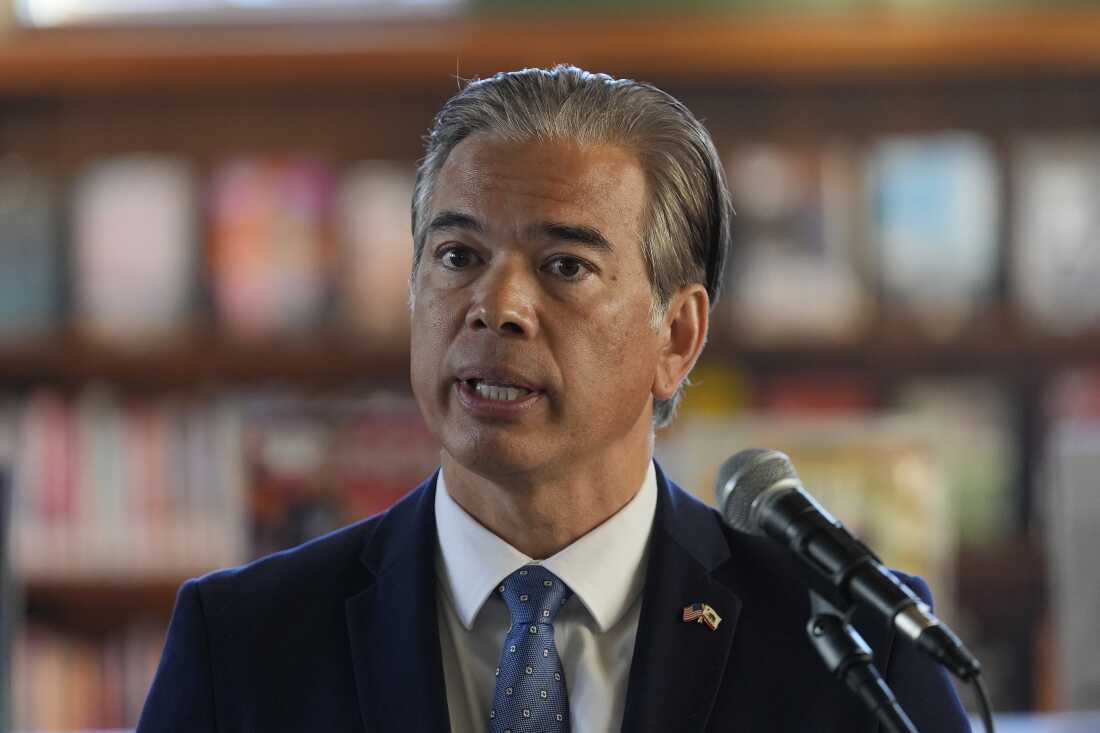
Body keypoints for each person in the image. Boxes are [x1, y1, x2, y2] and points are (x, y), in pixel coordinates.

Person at [137, 65, 970, 732]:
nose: (495, 305)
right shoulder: (244, 643)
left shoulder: (851, 650)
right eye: (457, 254)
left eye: (564, 266)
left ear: (676, 337)